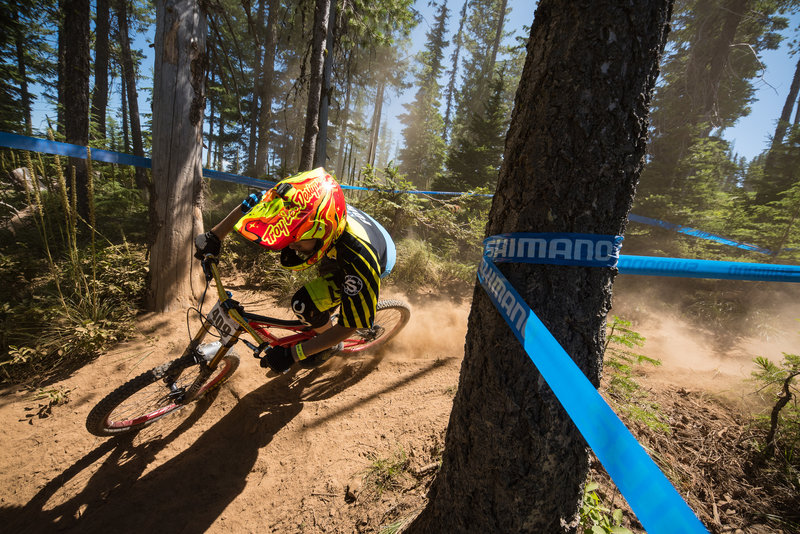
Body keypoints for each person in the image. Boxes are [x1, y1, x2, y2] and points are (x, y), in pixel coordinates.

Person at [194, 167, 395, 374]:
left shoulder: (359, 261)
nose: (290, 244)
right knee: (320, 291)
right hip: (346, 233)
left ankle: (333, 345)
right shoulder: (302, 203)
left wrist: (294, 354)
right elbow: (254, 203)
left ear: (321, 231)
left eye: (296, 239)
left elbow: (349, 327)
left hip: (375, 255)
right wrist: (215, 235)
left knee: (304, 304)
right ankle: (323, 323)